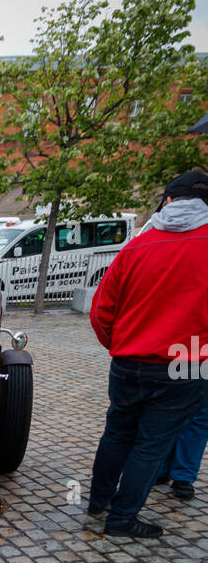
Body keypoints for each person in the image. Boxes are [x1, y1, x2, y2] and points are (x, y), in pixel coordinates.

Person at [88, 167, 208, 538]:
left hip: (130, 360)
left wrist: (121, 346)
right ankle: (122, 519)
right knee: (151, 446)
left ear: (169, 201)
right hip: (186, 362)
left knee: (118, 434)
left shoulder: (137, 245)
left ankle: (98, 501)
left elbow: (100, 311)